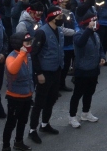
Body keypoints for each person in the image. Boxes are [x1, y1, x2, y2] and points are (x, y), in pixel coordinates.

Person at [28, 8, 73, 141]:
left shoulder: (59, 30)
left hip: (56, 70)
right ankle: (32, 129)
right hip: (45, 72)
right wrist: (38, 73)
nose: (62, 18)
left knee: (52, 98)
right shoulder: (42, 32)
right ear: (53, 17)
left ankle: (45, 124)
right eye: (60, 16)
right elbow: (34, 54)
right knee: (40, 102)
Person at [1, 33, 35, 151]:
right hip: (15, 96)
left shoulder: (28, 55)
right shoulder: (12, 57)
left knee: (23, 120)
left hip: (27, 94)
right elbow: (13, 70)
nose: (30, 45)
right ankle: (5, 148)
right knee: (11, 123)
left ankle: (19, 142)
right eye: (27, 43)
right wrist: (21, 54)